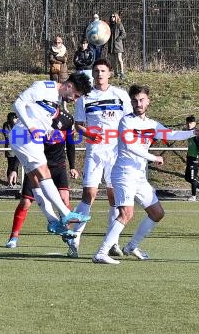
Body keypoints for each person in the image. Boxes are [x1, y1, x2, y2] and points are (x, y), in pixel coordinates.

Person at [93, 84, 199, 264]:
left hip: (138, 176)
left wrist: (193, 132)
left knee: (157, 213)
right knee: (126, 213)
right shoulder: (126, 121)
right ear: (131, 102)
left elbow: (171, 134)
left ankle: (131, 246)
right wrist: (152, 157)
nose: (138, 103)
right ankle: (101, 252)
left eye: (141, 100)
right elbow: (130, 146)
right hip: (124, 173)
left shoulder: (152, 124)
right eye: (135, 101)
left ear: (148, 101)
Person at [9, 72, 92, 240]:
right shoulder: (43, 87)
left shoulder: (57, 100)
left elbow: (41, 117)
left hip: (31, 140)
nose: (74, 99)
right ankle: (66, 213)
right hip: (24, 135)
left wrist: (49, 132)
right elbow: (18, 104)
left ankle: (52, 220)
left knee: (36, 182)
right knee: (44, 173)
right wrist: (31, 127)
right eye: (75, 95)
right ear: (69, 86)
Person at [68, 58, 132, 258]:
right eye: (96, 71)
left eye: (103, 70)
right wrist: (89, 135)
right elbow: (78, 124)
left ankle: (113, 241)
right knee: (89, 194)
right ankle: (75, 236)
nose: (99, 74)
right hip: (95, 151)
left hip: (116, 152)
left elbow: (130, 122)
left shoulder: (120, 95)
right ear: (92, 74)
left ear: (110, 73)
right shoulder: (85, 98)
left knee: (115, 196)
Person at [5, 109, 78, 249]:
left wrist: (72, 166)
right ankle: (13, 237)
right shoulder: (38, 120)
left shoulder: (67, 121)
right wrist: (14, 169)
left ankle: (66, 233)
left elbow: (70, 144)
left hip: (58, 166)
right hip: (38, 165)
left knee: (64, 199)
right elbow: (24, 148)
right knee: (25, 202)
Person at [184, 115, 199, 201]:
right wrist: (187, 156)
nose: (189, 124)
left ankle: (193, 196)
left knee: (192, 178)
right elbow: (190, 146)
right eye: (187, 123)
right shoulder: (189, 133)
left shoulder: (196, 133)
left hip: (195, 159)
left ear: (195, 123)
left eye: (191, 123)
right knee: (187, 177)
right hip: (190, 158)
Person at [106, 13, 126, 79]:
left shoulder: (119, 24)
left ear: (116, 17)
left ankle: (122, 73)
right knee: (113, 60)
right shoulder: (109, 25)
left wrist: (118, 39)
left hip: (118, 45)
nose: (112, 18)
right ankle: (116, 73)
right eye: (111, 16)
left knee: (119, 59)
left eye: (113, 16)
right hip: (111, 46)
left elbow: (123, 34)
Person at [2, 112, 20, 187]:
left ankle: (14, 180)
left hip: (18, 147)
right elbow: (7, 135)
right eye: (15, 118)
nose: (17, 119)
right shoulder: (6, 125)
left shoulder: (19, 124)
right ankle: (10, 181)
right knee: (10, 164)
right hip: (10, 147)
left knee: (16, 165)